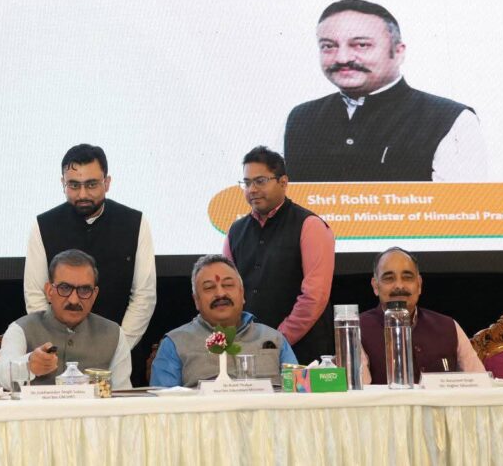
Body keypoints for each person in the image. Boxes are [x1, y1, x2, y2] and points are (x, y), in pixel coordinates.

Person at [284, 0, 486, 182]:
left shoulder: (450, 120)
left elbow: (462, 208)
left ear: (398, 52)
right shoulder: (299, 118)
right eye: (328, 46)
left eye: (361, 45)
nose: (342, 58)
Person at [24, 144, 156, 349]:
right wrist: (55, 347)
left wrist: (118, 347)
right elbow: (35, 296)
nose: (83, 194)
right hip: (57, 353)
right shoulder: (43, 225)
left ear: (107, 182)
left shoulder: (135, 223)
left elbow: (144, 295)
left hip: (120, 350)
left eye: (92, 184)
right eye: (74, 185)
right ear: (63, 183)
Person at [224, 146, 335, 364]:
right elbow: (228, 291)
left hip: (304, 355)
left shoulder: (309, 225)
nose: (252, 189)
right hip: (249, 354)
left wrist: (276, 341)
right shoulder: (235, 232)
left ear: (283, 182)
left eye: (260, 181)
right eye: (247, 183)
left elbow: (315, 296)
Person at [151, 254, 296, 387]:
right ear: (196, 300)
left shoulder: (274, 339)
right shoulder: (175, 344)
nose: (220, 294)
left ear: (242, 293)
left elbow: (298, 394)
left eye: (228, 285)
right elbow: (162, 404)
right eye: (209, 287)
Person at [0, 249, 132, 390]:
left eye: (84, 290)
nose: (74, 300)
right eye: (65, 288)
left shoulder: (114, 334)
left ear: (94, 295)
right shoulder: (21, 328)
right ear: (49, 291)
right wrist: (29, 365)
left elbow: (124, 394)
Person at [359, 247, 485, 384]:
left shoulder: (449, 326)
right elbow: (358, 392)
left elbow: (481, 383)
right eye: (389, 278)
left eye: (407, 277)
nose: (399, 286)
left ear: (419, 285)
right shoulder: (356, 330)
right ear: (375, 286)